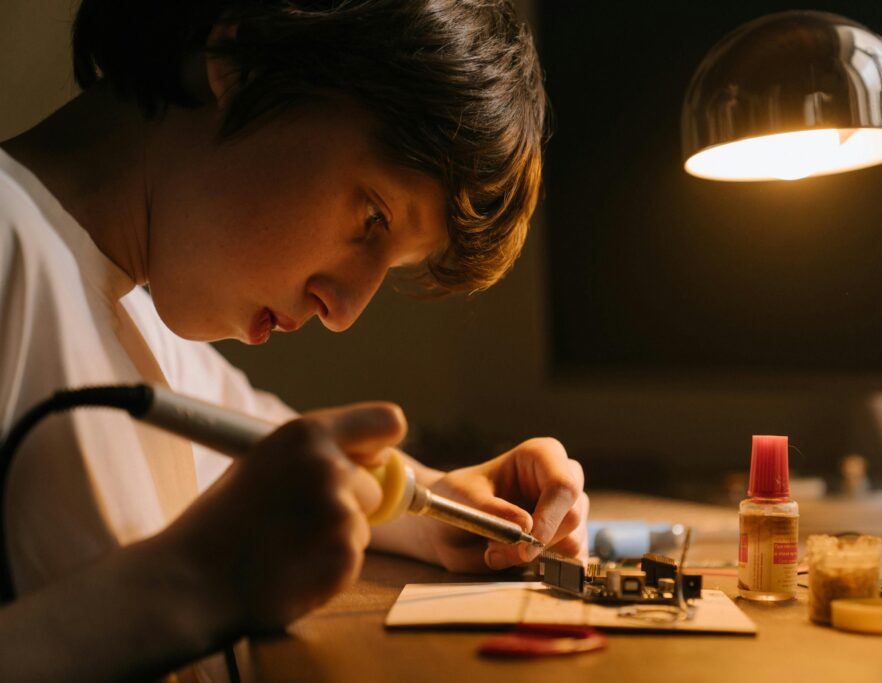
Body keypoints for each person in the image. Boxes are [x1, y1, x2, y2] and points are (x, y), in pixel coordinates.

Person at [0, 1, 588, 680]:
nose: (342, 310)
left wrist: (443, 503)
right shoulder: (13, 246)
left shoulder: (149, 336)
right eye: (372, 216)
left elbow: (292, 452)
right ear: (241, 59)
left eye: (390, 266)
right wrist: (192, 585)